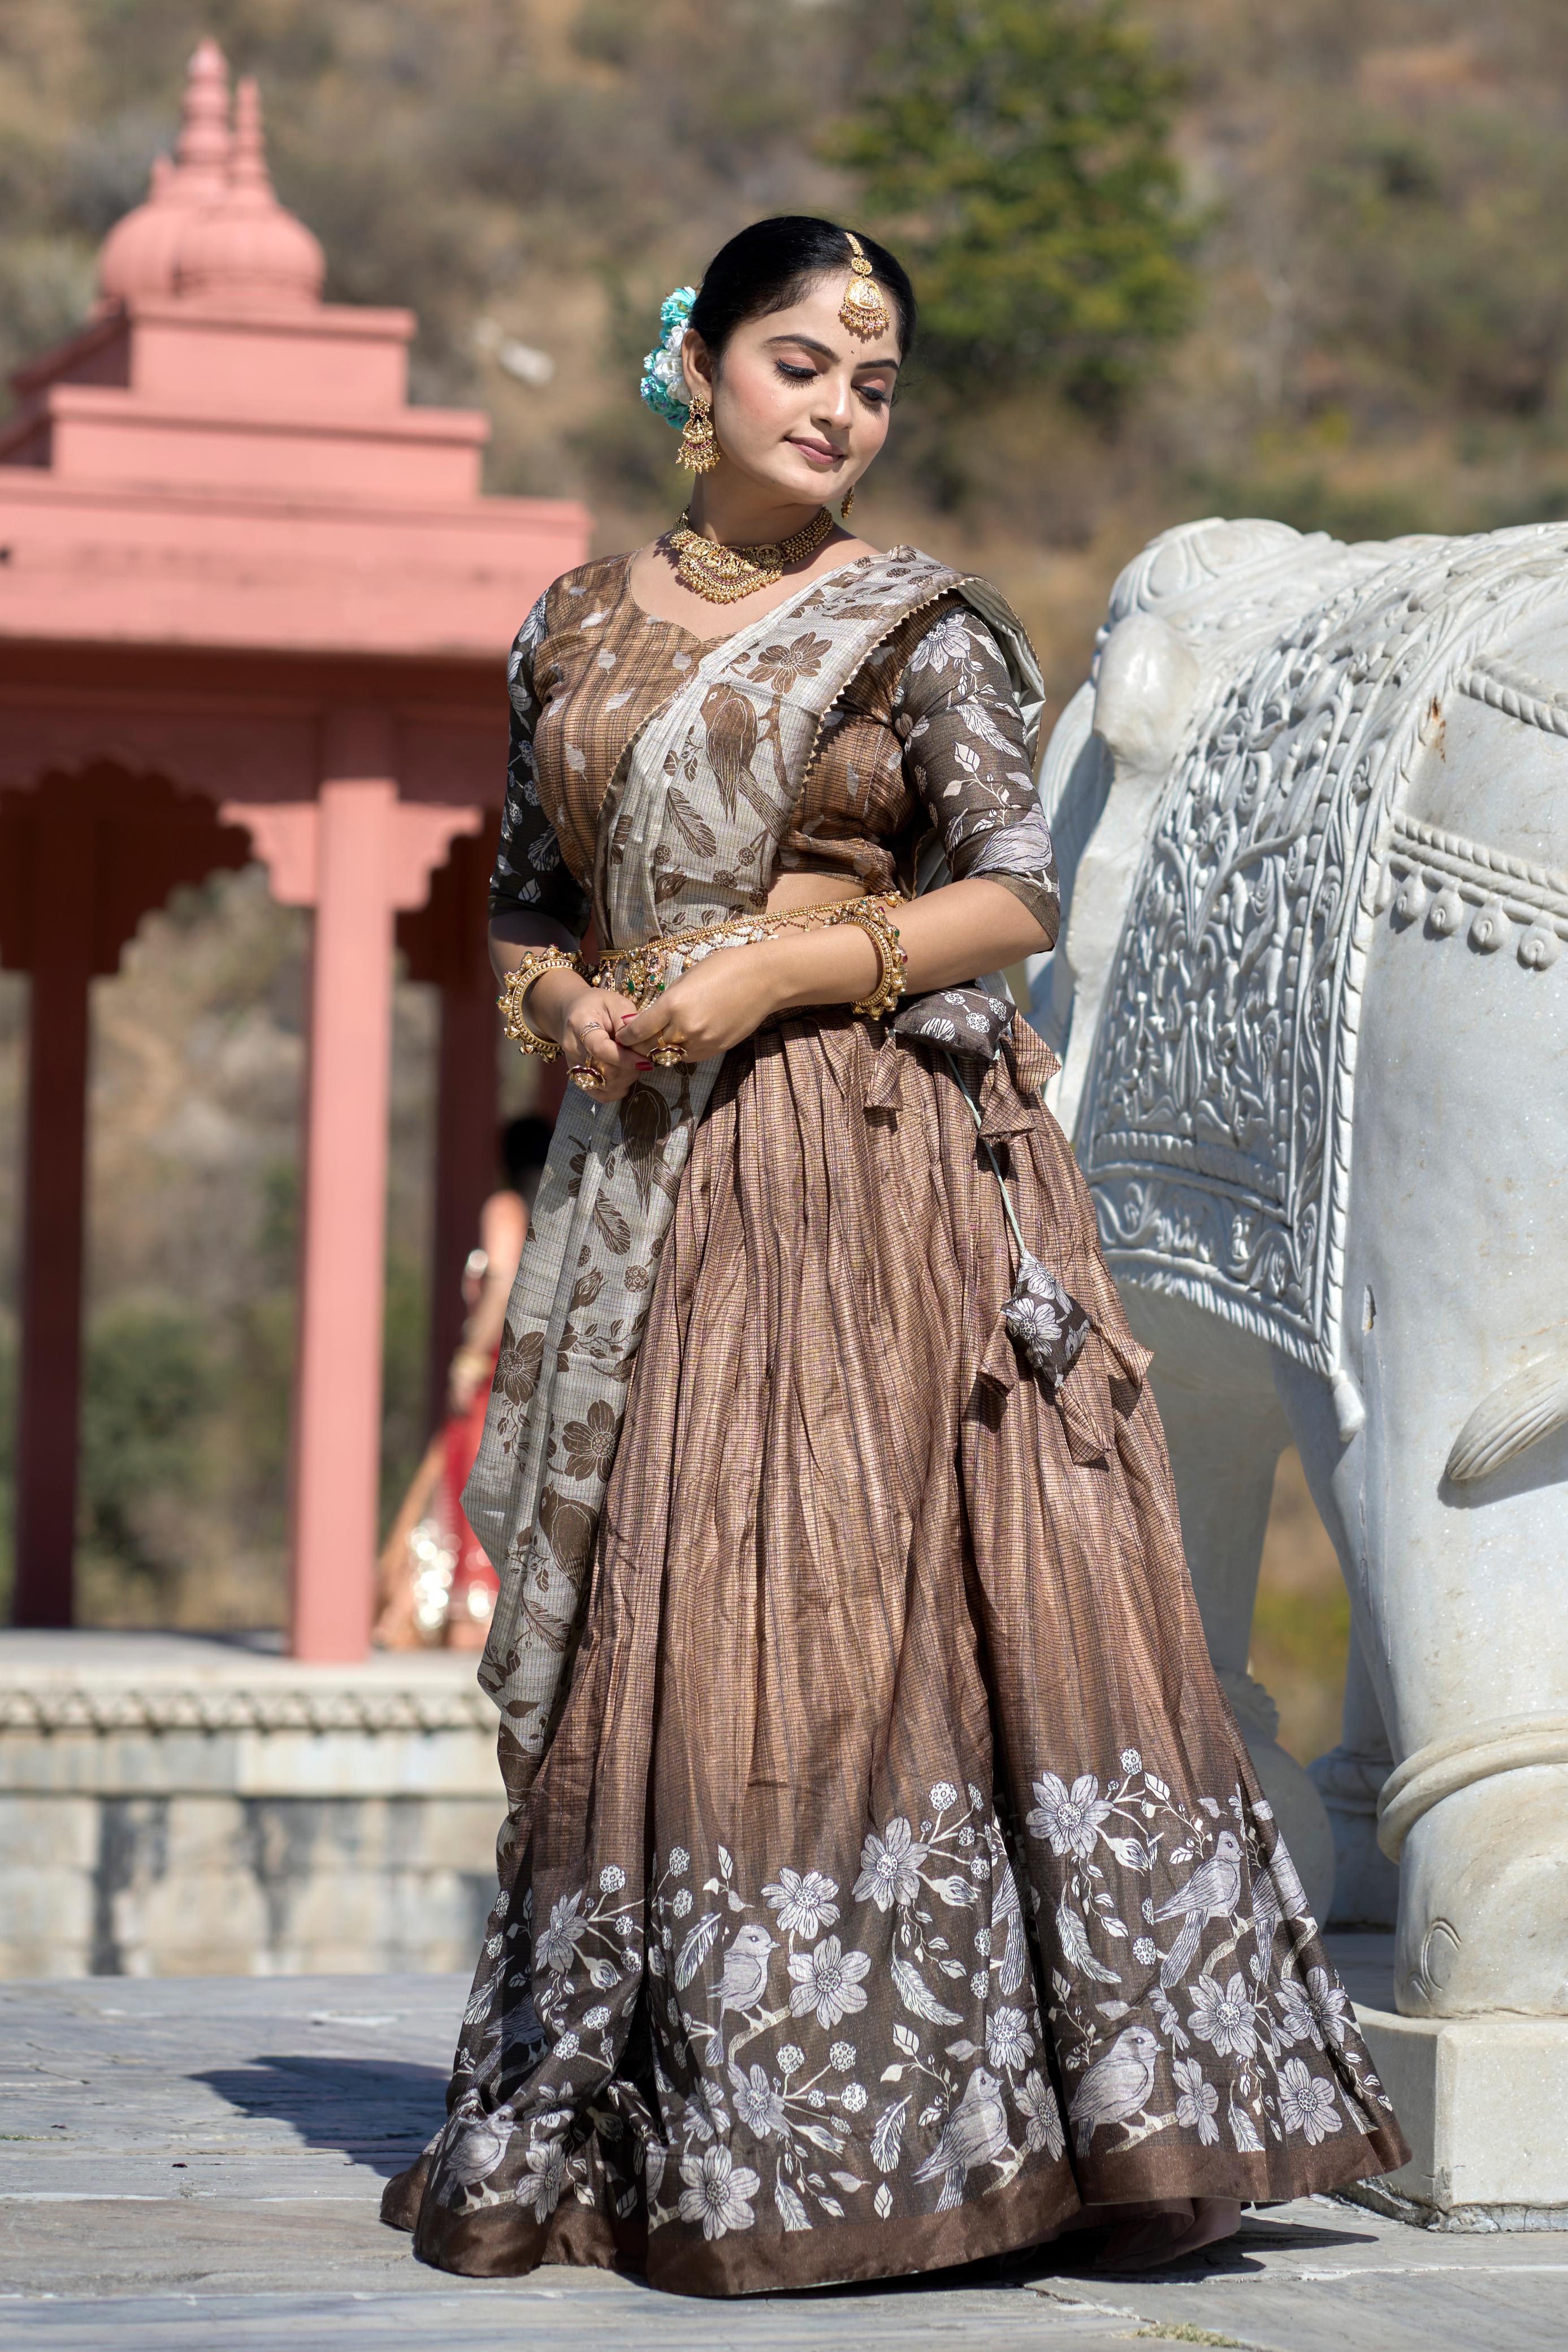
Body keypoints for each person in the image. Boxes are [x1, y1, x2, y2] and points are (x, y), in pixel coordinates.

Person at [383, 217, 1406, 2294]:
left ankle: (953, 2131)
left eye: (874, 383)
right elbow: (525, 899)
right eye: (800, 364)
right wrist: (565, 1004)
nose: (840, 409)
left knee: (836, 1603)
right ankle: (685, 2095)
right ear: (695, 366)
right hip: (642, 1170)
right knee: (662, 1613)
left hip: (857, 1173)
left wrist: (770, 972)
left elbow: (1012, 895)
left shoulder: (917, 627)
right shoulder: (568, 627)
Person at [375, 1116, 552, 1650]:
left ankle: (468, 1616)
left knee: (473, 1477)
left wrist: (470, 1360)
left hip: (496, 1367)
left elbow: (499, 1285)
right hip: (536, 1369)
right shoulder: (559, 1208)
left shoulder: (505, 1209)